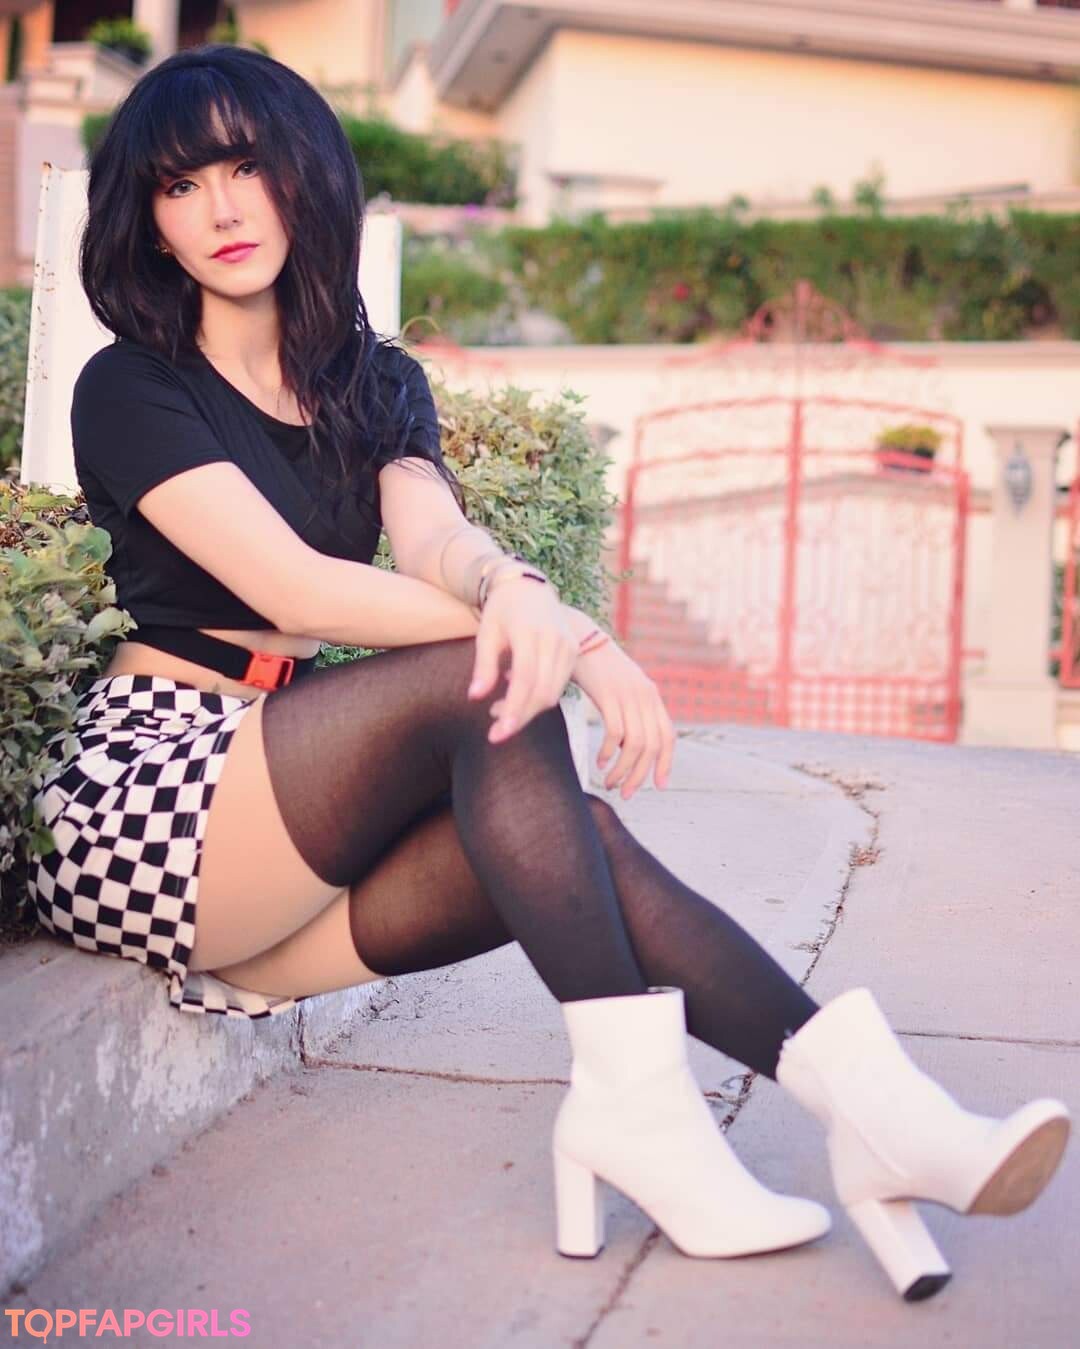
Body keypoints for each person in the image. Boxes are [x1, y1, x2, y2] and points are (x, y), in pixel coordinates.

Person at [26, 45, 1068, 1304]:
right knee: (481, 666)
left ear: (304, 176)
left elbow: (436, 540)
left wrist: (511, 587)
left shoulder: (371, 380)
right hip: (149, 799)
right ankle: (656, 1115)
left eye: (245, 167)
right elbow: (295, 590)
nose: (221, 209)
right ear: (149, 220)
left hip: (284, 835)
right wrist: (572, 632)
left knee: (586, 837)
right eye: (181, 185)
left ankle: (876, 1110)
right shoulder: (132, 386)